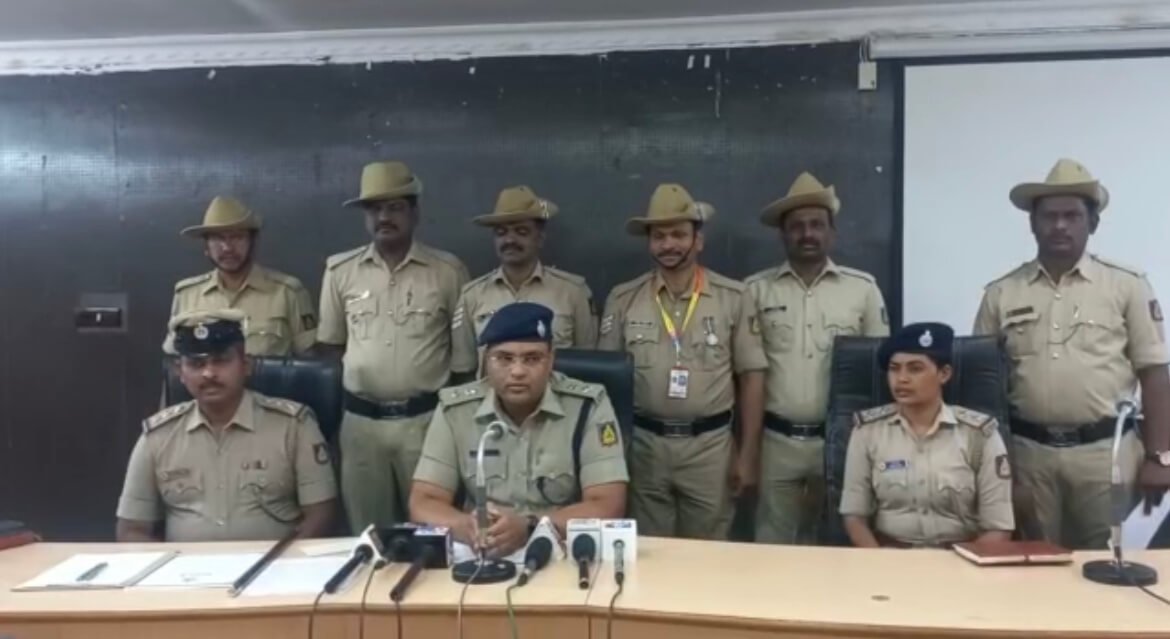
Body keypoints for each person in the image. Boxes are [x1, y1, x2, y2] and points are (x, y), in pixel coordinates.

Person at [973, 158, 1170, 549]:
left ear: (1092, 223)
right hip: (1027, 456)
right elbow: (983, 387)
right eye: (1049, 216)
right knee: (1034, 560)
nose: (1060, 225)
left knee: (1101, 562)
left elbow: (1155, 376)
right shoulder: (1001, 293)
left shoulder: (1127, 286)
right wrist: (995, 466)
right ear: (1033, 224)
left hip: (1105, 456)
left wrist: (1160, 456)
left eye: (1072, 216)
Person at [597, 184, 766, 540]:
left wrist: (748, 455)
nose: (668, 244)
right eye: (659, 236)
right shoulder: (623, 299)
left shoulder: (734, 297)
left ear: (698, 241)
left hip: (710, 449)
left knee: (708, 554)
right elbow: (606, 384)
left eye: (678, 234)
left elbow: (752, 377)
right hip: (644, 448)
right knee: (651, 552)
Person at [317, 161, 470, 532]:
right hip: (361, 427)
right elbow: (331, 349)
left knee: (435, 535)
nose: (383, 217)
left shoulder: (448, 272)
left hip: (427, 424)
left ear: (415, 213)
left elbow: (464, 361)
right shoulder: (340, 271)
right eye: (374, 209)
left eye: (394, 207)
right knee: (370, 537)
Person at [409, 302, 628, 557]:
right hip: (482, 553)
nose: (518, 371)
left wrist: (531, 527)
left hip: (558, 550)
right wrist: (466, 526)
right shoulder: (456, 410)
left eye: (532, 359)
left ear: (551, 360)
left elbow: (608, 505)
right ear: (486, 361)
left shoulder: (588, 406)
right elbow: (424, 502)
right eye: (504, 358)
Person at [746, 172, 889, 545]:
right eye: (797, 226)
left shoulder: (863, 290)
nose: (807, 234)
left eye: (816, 225)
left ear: (832, 233)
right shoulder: (755, 291)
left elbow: (880, 373)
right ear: (782, 234)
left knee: (839, 548)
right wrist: (747, 451)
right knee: (772, 548)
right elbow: (743, 376)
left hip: (845, 443)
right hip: (776, 444)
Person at [117, 310, 337, 542]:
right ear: (180, 372)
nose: (209, 373)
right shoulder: (158, 437)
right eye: (196, 364)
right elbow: (131, 530)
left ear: (246, 365)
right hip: (187, 564)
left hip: (275, 563)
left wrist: (282, 560)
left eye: (221, 360)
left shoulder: (293, 426)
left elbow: (321, 516)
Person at [839, 322, 1014, 548]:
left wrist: (958, 567)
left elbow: (999, 528)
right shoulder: (867, 432)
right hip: (888, 557)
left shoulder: (980, 435)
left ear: (944, 374)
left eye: (915, 369)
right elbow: (854, 518)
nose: (901, 379)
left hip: (960, 558)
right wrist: (879, 563)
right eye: (894, 368)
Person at [451, 186, 597, 380]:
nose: (510, 240)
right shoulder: (472, 295)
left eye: (521, 232)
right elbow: (464, 369)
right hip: (491, 398)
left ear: (540, 239)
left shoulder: (573, 292)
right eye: (501, 233)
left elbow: (590, 365)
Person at [164, 196, 316, 357]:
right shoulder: (187, 295)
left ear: (253, 242)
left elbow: (309, 362)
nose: (227, 247)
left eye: (237, 237)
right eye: (217, 238)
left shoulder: (287, 292)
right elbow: (174, 361)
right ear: (206, 247)